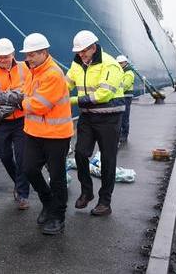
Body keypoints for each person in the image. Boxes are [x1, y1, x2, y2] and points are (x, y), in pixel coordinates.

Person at [18, 32, 73, 235]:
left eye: (32, 54)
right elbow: (28, 95)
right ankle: (48, 202)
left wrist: (20, 103)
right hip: (34, 132)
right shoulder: (33, 70)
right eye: (28, 54)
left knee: (57, 177)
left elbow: (40, 105)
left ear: (44, 53)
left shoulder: (53, 74)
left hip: (56, 135)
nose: (28, 58)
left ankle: (58, 216)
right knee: (29, 169)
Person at [68, 30, 125, 216]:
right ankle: (87, 192)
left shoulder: (110, 65)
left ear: (94, 47)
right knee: (80, 153)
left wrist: (73, 100)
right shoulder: (77, 64)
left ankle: (105, 202)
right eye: (78, 52)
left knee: (108, 160)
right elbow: (65, 83)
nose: (81, 55)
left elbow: (103, 94)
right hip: (88, 117)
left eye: (84, 51)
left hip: (109, 118)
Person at [0, 38, 31, 210]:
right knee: (4, 156)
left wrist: (8, 96)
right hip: (1, 121)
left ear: (13, 54)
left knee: (22, 156)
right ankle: (19, 183)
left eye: (5, 56)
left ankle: (23, 193)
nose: (2, 59)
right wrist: (15, 98)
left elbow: (27, 91)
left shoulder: (25, 68)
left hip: (21, 120)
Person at [116, 54, 135, 145]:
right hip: (121, 96)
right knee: (119, 116)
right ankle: (120, 134)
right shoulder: (121, 71)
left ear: (125, 63)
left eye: (121, 63)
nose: (119, 64)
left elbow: (125, 85)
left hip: (126, 97)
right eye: (118, 63)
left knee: (124, 117)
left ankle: (124, 135)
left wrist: (114, 91)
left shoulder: (129, 73)